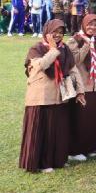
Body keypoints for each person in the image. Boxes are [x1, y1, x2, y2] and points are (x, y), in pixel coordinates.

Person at [19, 20, 85, 173]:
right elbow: (42, 65)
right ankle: (41, 163)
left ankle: (57, 160)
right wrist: (53, 50)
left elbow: (73, 70)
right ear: (47, 31)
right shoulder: (37, 48)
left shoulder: (65, 49)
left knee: (57, 130)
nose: (57, 35)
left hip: (60, 95)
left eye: (61, 32)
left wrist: (80, 91)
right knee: (42, 130)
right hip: (41, 97)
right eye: (54, 31)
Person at [65, 14, 96, 161]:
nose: (92, 27)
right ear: (83, 24)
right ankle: (75, 150)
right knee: (80, 118)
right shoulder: (75, 40)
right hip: (82, 85)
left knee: (92, 118)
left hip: (95, 84)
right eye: (90, 24)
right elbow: (73, 60)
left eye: (95, 25)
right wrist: (87, 44)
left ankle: (90, 147)